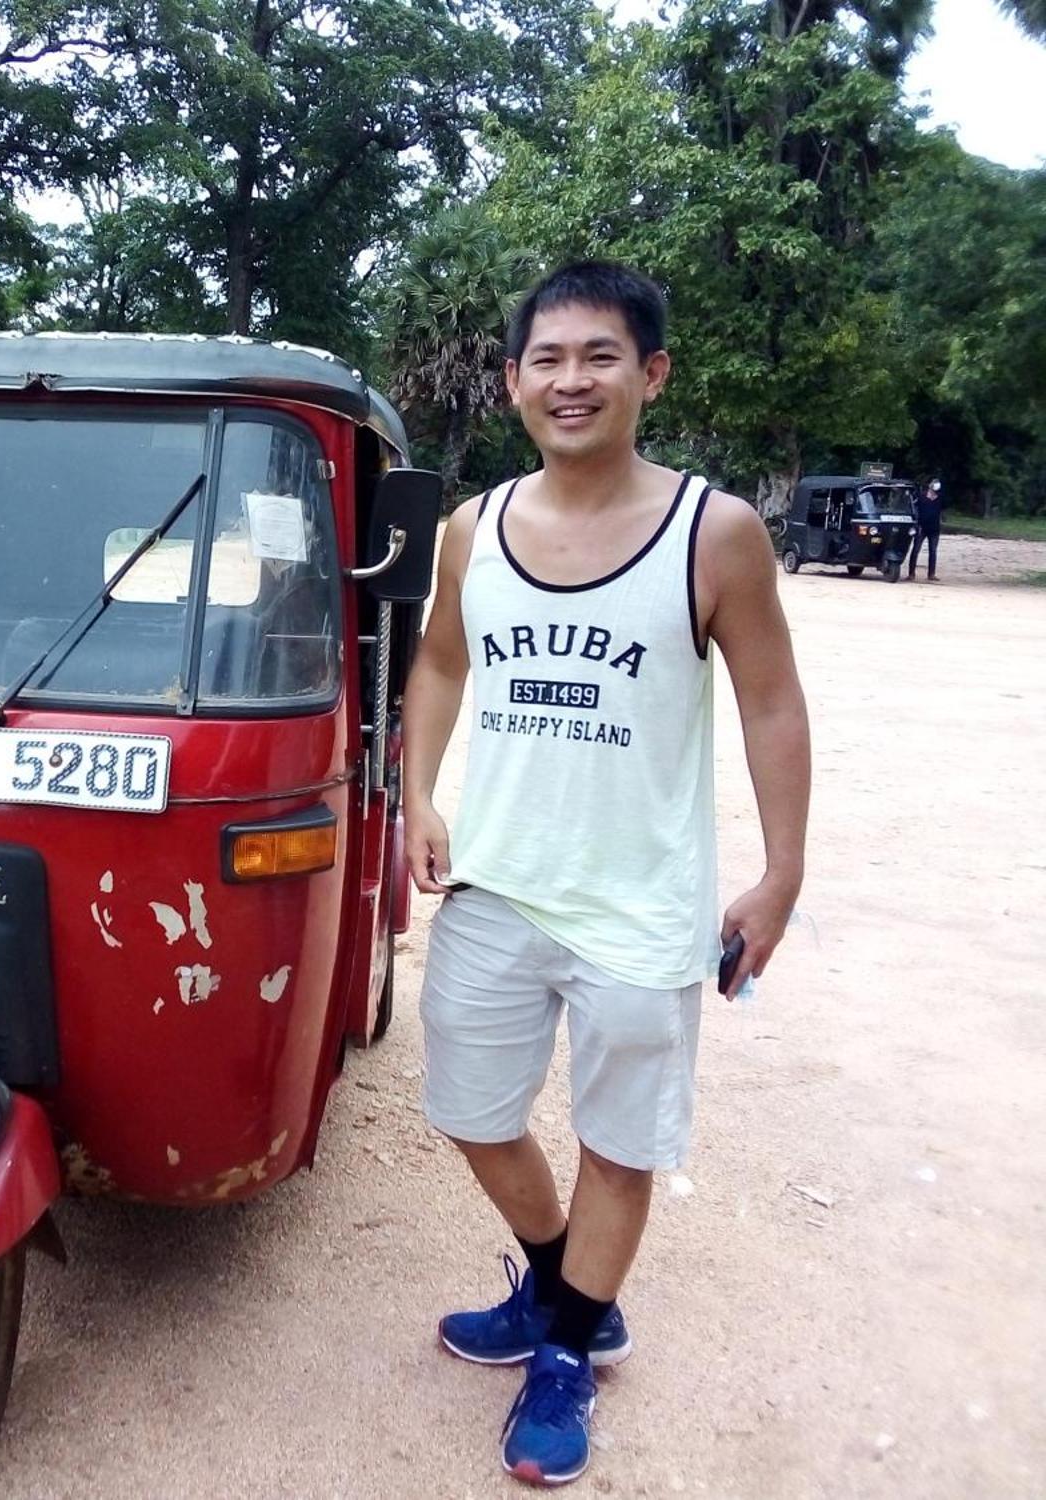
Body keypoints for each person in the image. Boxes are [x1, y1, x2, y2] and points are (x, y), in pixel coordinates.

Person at [401, 261, 810, 1487]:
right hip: (497, 888)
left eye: (599, 356)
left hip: (641, 905)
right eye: (546, 358)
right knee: (470, 1116)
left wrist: (778, 876)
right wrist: (417, 794)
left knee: (619, 1145)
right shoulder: (472, 529)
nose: (569, 380)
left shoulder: (714, 532)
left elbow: (771, 704)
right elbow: (434, 664)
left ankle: (566, 1351)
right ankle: (562, 1283)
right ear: (513, 378)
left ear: (649, 373)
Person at [909, 477, 943, 581]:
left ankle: (931, 574)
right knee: (915, 550)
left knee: (933, 551)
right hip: (921, 528)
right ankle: (911, 573)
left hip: (934, 529)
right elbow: (915, 509)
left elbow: (942, 510)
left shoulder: (940, 498)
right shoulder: (922, 496)